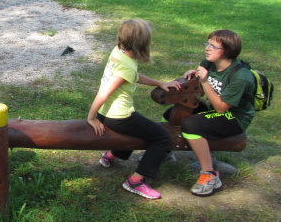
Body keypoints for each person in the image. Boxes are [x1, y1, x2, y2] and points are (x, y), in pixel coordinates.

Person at [87, 19, 180, 200]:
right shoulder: (127, 66)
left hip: (108, 113)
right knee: (162, 137)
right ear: (142, 43)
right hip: (118, 116)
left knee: (142, 130)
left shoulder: (118, 52)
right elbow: (105, 91)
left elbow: (132, 76)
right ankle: (136, 181)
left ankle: (112, 155)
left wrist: (159, 82)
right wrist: (91, 117)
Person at [180, 30, 255, 196]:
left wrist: (204, 81)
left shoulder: (241, 76)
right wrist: (195, 77)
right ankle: (164, 153)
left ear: (227, 51)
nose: (207, 48)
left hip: (234, 117)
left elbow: (221, 108)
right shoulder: (208, 63)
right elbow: (204, 85)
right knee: (175, 113)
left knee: (190, 125)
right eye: (208, 44)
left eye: (213, 46)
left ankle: (209, 175)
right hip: (214, 109)